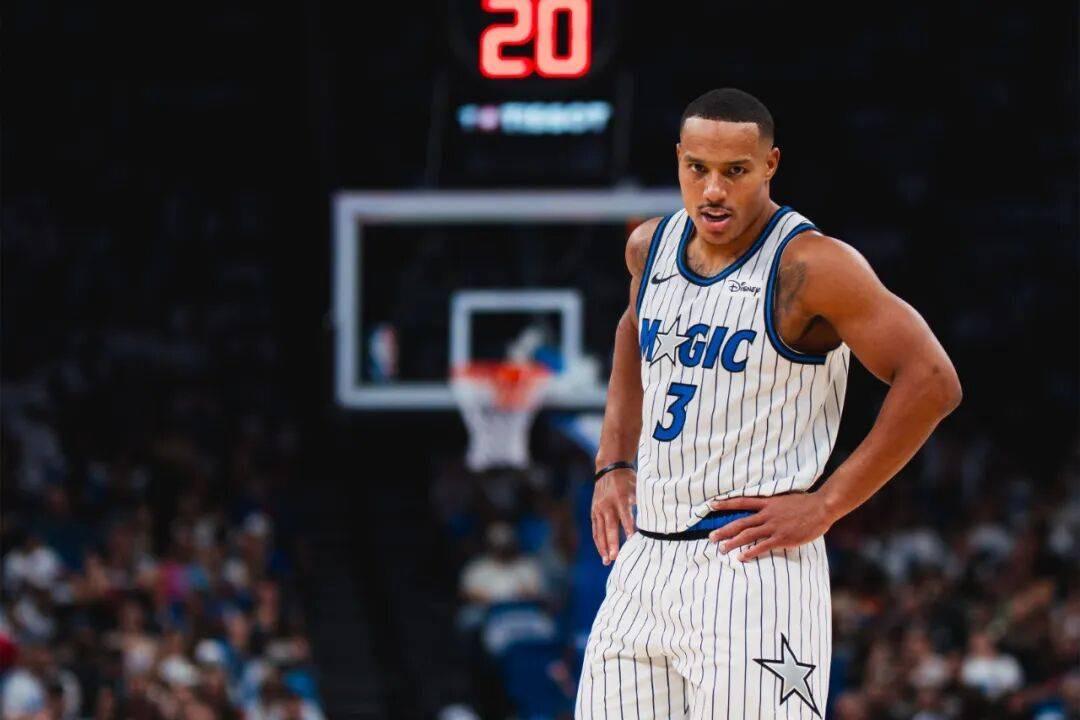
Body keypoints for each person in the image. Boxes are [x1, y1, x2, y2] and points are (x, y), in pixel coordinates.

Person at [575, 88, 962, 718]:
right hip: (646, 560)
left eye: (735, 171)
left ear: (770, 165)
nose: (713, 191)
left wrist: (829, 504)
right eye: (698, 168)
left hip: (753, 567)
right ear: (679, 160)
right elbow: (632, 327)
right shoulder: (649, 246)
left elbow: (933, 380)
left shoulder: (812, 265)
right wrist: (612, 459)